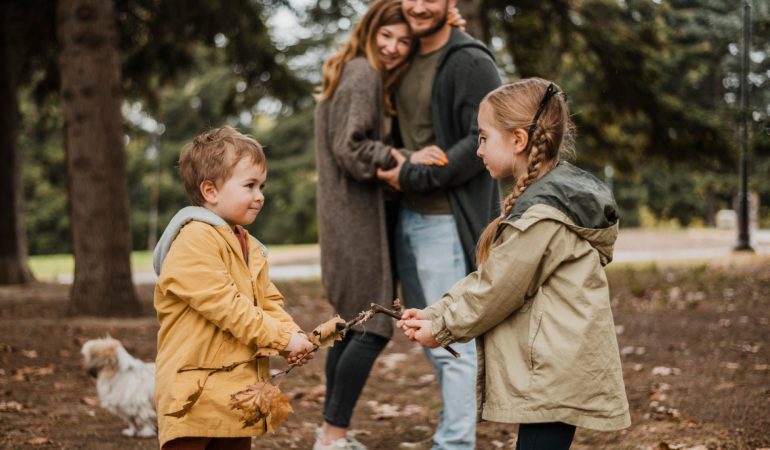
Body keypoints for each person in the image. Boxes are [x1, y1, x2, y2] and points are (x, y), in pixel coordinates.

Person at [398, 78, 632, 450]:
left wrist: (441, 327)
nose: (477, 150)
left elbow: (496, 290)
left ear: (518, 140)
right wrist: (436, 311)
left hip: (554, 368)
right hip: (555, 363)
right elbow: (492, 277)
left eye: (483, 137)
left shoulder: (542, 215)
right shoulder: (545, 203)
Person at [376, 0, 501, 448]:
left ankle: (454, 443)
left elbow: (480, 137)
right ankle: (453, 430)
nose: (420, 5)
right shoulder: (406, 54)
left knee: (453, 342)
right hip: (408, 216)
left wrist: (415, 173)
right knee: (429, 336)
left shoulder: (470, 60)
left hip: (445, 221)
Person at [152, 126, 315, 450]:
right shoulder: (194, 239)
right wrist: (283, 338)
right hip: (195, 390)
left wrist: (293, 337)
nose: (260, 195)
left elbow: (266, 301)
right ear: (210, 191)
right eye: (250, 185)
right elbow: (228, 307)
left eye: (262, 186)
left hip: (237, 388)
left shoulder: (248, 245)